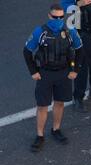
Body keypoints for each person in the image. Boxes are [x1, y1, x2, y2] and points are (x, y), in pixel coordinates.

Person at [23, 3, 83, 152]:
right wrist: (33, 72)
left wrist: (75, 70)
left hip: (63, 72)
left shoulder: (70, 30)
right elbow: (27, 51)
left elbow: (79, 49)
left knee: (60, 102)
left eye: (61, 17)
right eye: (55, 17)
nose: (58, 19)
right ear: (49, 16)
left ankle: (56, 129)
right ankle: (39, 134)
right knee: (42, 105)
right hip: (45, 73)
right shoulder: (40, 31)